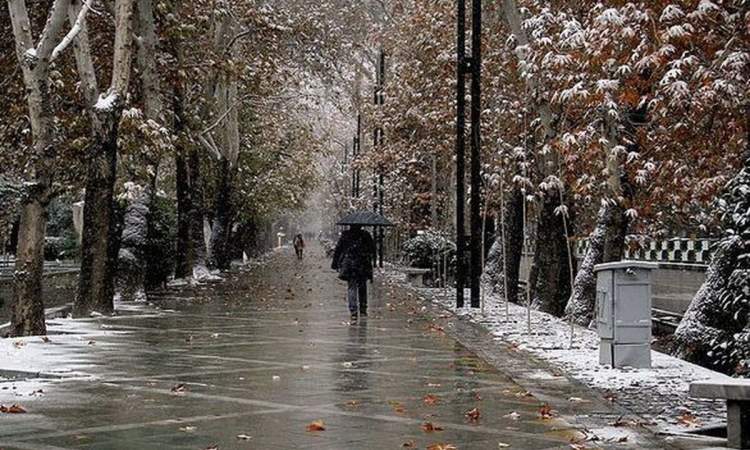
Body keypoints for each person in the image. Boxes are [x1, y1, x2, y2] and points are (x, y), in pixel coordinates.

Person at [331, 225, 376, 321]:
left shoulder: (345, 235)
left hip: (350, 265)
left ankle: (353, 311)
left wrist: (335, 263)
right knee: (362, 287)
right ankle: (363, 309)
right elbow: (372, 249)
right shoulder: (365, 235)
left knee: (352, 287)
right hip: (362, 265)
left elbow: (338, 250)